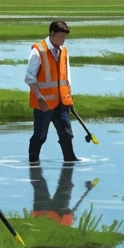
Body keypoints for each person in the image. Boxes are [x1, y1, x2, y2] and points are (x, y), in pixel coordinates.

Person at [26, 19, 78, 164]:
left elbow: (67, 77)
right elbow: (29, 78)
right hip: (44, 104)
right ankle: (33, 162)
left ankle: (70, 160)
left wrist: (68, 98)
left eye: (65, 37)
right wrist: (40, 98)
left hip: (62, 101)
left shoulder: (64, 51)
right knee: (41, 135)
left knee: (67, 134)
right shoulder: (38, 51)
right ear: (52, 34)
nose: (63, 40)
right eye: (61, 37)